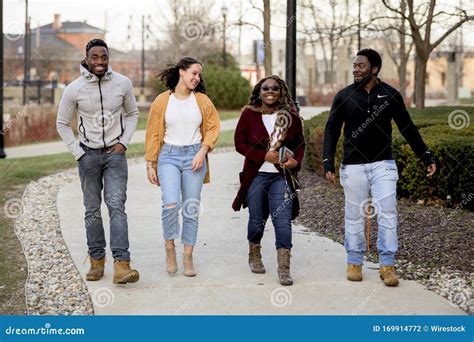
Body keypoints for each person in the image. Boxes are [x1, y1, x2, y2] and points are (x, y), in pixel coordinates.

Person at [323, 48, 437, 286]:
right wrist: (328, 161)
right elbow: (332, 129)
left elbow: (407, 127)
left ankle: (387, 264)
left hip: (383, 164)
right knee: (354, 215)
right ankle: (354, 261)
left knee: (387, 213)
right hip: (353, 166)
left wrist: (426, 156)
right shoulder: (344, 96)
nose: (355, 69)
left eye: (361, 65)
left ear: (374, 69)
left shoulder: (390, 95)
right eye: (354, 65)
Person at [56, 39, 139, 284]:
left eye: (104, 57)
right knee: (92, 210)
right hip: (88, 156)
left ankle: (122, 265)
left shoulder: (123, 83)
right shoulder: (74, 89)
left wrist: (123, 142)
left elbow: (133, 113)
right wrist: (77, 151)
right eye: (95, 57)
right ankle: (96, 261)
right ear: (87, 58)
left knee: (116, 207)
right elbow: (62, 123)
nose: (100, 62)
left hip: (115, 156)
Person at [145, 57, 220, 277]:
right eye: (194, 73)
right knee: (170, 204)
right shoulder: (161, 101)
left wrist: (203, 150)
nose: (197, 78)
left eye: (199, 75)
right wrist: (151, 163)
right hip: (168, 156)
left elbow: (214, 127)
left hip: (195, 156)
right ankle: (170, 249)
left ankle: (188, 256)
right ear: (181, 71)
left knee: (190, 208)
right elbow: (153, 133)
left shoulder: (202, 100)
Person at [232, 75, 305, 286]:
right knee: (256, 219)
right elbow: (239, 143)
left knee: (282, 221)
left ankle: (284, 268)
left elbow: (300, 145)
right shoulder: (249, 114)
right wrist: (262, 155)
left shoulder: (289, 116)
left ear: (281, 91)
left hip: (281, 177)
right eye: (265, 88)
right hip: (256, 176)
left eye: (275, 88)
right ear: (259, 91)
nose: (270, 91)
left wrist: (294, 162)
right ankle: (254, 255)